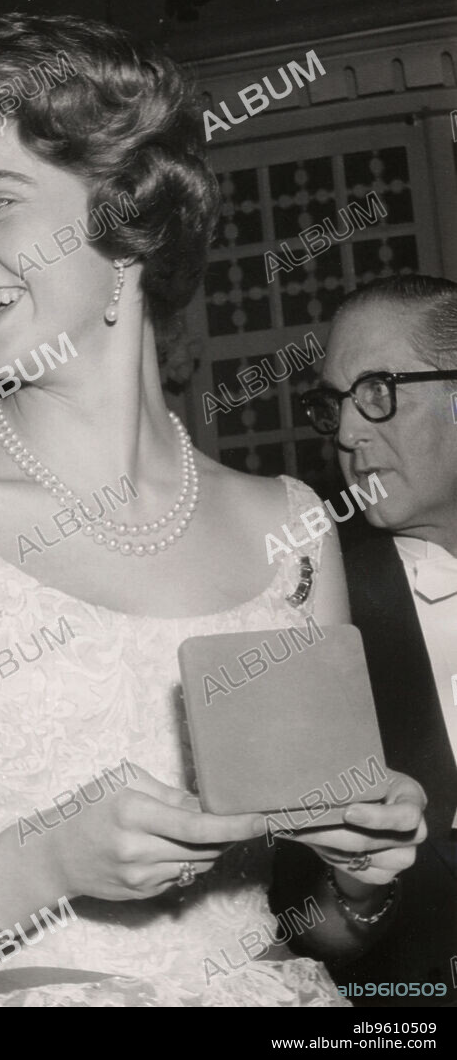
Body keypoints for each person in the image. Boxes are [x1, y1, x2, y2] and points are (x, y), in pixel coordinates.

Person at [0, 13, 426, 1008]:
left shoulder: (291, 529)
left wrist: (361, 882)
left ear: (126, 221)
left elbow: (309, 932)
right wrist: (42, 864)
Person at [299, 276, 457, 1006]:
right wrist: (359, 883)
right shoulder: (318, 613)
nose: (346, 432)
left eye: (378, 391)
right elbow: (315, 935)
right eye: (334, 403)